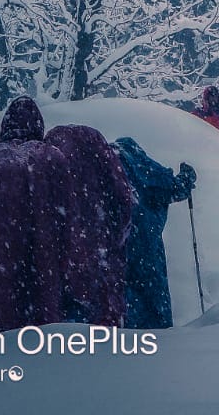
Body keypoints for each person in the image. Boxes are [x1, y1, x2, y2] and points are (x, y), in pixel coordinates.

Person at [0, 96, 71, 334]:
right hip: (43, 253)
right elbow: (69, 204)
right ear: (38, 124)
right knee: (43, 321)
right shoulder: (53, 157)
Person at [44, 123, 134, 326]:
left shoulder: (52, 159)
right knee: (104, 314)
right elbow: (123, 198)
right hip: (101, 249)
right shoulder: (100, 155)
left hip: (64, 257)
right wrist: (116, 237)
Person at [113, 137, 196, 328]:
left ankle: (128, 332)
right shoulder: (140, 165)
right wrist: (187, 177)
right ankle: (157, 337)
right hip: (145, 242)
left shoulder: (109, 167)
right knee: (151, 291)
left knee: (126, 289)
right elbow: (172, 188)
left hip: (116, 243)